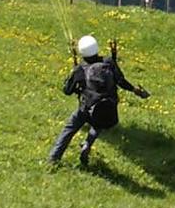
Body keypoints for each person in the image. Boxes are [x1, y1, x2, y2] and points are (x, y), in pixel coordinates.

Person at [47, 35, 149, 169]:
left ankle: (53, 159)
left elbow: (67, 91)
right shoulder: (108, 63)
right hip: (106, 106)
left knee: (69, 129)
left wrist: (73, 73)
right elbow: (121, 81)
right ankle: (88, 144)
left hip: (86, 107)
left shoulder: (80, 69)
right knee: (99, 120)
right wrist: (135, 90)